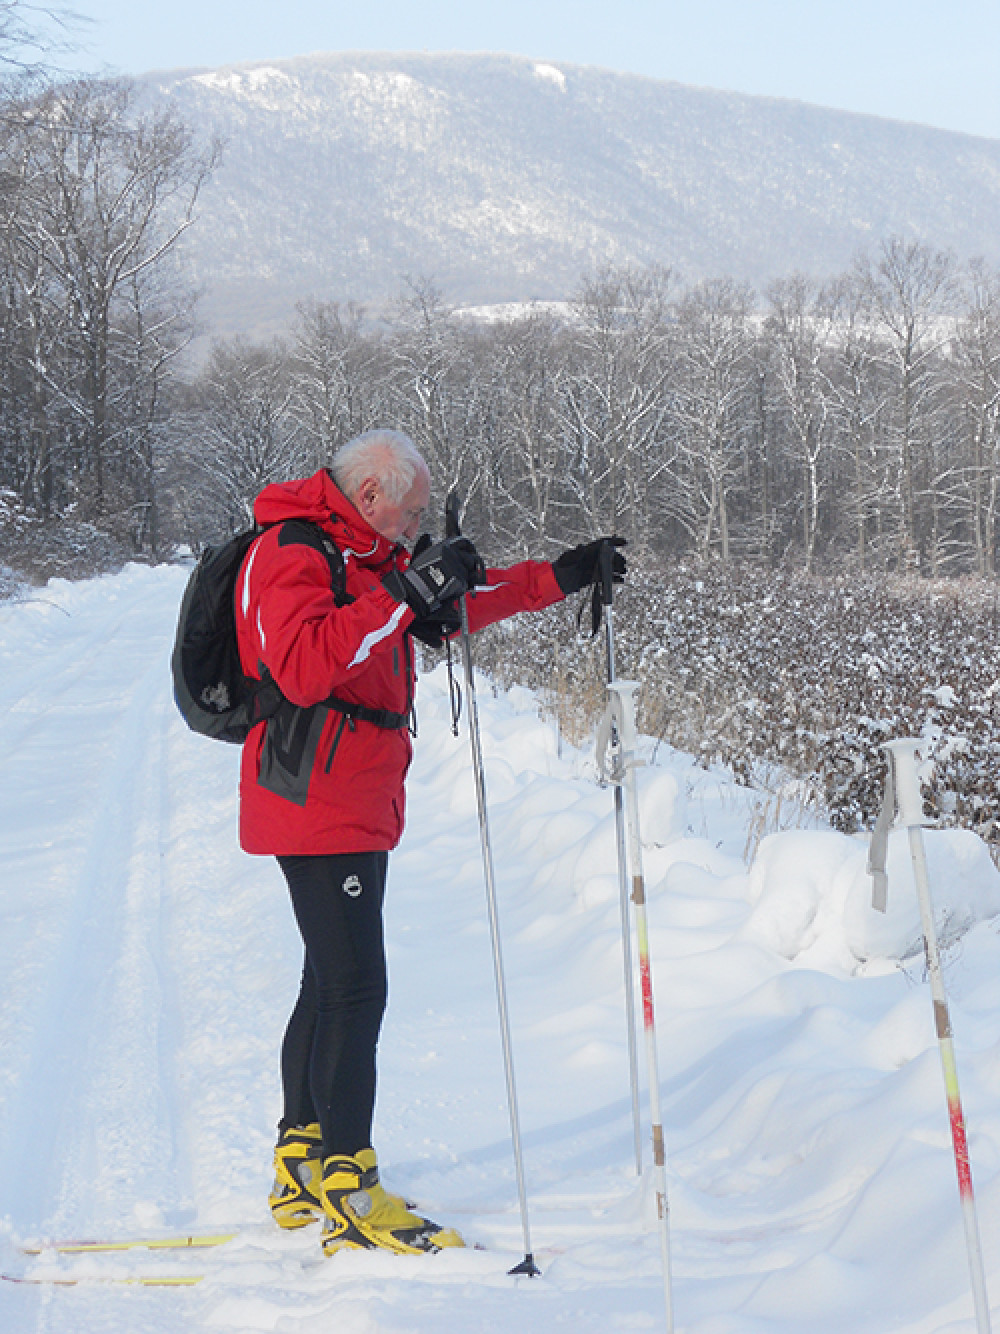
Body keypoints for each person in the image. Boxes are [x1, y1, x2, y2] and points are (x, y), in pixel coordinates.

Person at [234, 427, 625, 1257]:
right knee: (354, 990)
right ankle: (349, 1182)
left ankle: (301, 1163)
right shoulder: (293, 550)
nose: (414, 527)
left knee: (327, 981)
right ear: (370, 494)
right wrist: (404, 592)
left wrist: (562, 574)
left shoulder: (364, 552)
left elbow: (448, 610)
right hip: (316, 794)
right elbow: (305, 665)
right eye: (408, 511)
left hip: (350, 791)